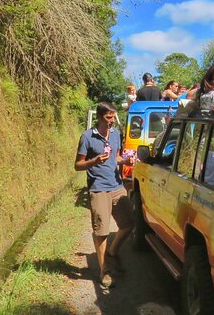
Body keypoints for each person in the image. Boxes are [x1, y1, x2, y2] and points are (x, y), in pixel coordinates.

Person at [74, 102, 134, 289]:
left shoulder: (115, 134)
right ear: (99, 117)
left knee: (129, 223)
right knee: (101, 232)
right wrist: (94, 161)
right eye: (108, 117)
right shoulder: (87, 137)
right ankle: (104, 270)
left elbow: (115, 157)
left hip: (117, 186)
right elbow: (78, 165)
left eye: (113, 117)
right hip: (98, 188)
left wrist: (124, 160)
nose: (111, 121)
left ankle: (113, 252)